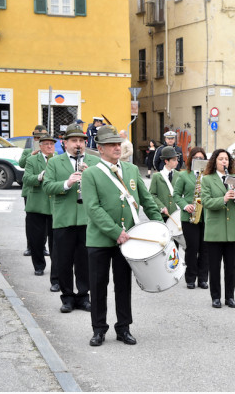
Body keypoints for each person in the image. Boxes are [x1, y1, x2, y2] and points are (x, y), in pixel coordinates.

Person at [81, 125, 162, 347]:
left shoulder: (131, 170)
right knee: (98, 286)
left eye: (118, 144)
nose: (117, 147)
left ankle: (123, 327)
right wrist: (116, 232)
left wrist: (161, 227)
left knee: (123, 285)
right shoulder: (91, 173)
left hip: (129, 239)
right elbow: (93, 208)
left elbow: (147, 201)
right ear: (100, 148)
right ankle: (98, 329)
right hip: (100, 239)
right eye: (111, 145)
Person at [43, 123, 100, 313]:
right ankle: (67, 297)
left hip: (87, 219)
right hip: (63, 218)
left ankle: (83, 296)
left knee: (85, 261)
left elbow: (103, 187)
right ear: (64, 143)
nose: (78, 144)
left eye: (81, 141)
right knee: (64, 261)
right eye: (74, 141)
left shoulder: (93, 162)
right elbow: (47, 187)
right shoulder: (54, 162)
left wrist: (89, 176)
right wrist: (67, 183)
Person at [200, 149, 235, 309]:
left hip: (232, 230)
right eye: (221, 159)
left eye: (226, 159)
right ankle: (216, 297)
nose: (224, 162)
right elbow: (205, 201)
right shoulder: (206, 179)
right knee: (214, 267)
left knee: (230, 267)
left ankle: (230, 297)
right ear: (215, 161)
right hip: (215, 230)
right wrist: (224, 199)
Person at [23, 133, 59, 291]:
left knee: (56, 242)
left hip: (54, 205)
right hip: (37, 205)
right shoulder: (32, 160)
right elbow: (26, 179)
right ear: (41, 145)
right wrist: (39, 177)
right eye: (46, 144)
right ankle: (39, 265)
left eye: (52, 144)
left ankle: (56, 271)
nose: (50, 146)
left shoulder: (59, 159)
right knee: (36, 239)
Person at [173, 147, 209, 290]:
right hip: (189, 216)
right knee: (192, 249)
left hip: (206, 216)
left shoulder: (208, 176)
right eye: (196, 158)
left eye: (201, 158)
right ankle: (190, 278)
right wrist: (184, 205)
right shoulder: (183, 176)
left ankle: (203, 279)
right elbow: (176, 195)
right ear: (191, 159)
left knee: (205, 249)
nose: (199, 161)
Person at [20, 124, 50, 257]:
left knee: (45, 221)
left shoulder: (50, 152)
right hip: (29, 190)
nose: (38, 139)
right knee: (31, 222)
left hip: (45, 191)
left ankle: (42, 246)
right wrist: (31, 155)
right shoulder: (28, 150)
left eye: (41, 137)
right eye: (36, 137)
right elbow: (21, 164)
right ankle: (30, 246)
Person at [148, 146, 180, 221]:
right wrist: (161, 206)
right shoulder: (157, 176)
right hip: (163, 214)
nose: (177, 162)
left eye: (177, 160)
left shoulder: (179, 175)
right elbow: (152, 194)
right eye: (174, 160)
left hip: (176, 212)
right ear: (166, 161)